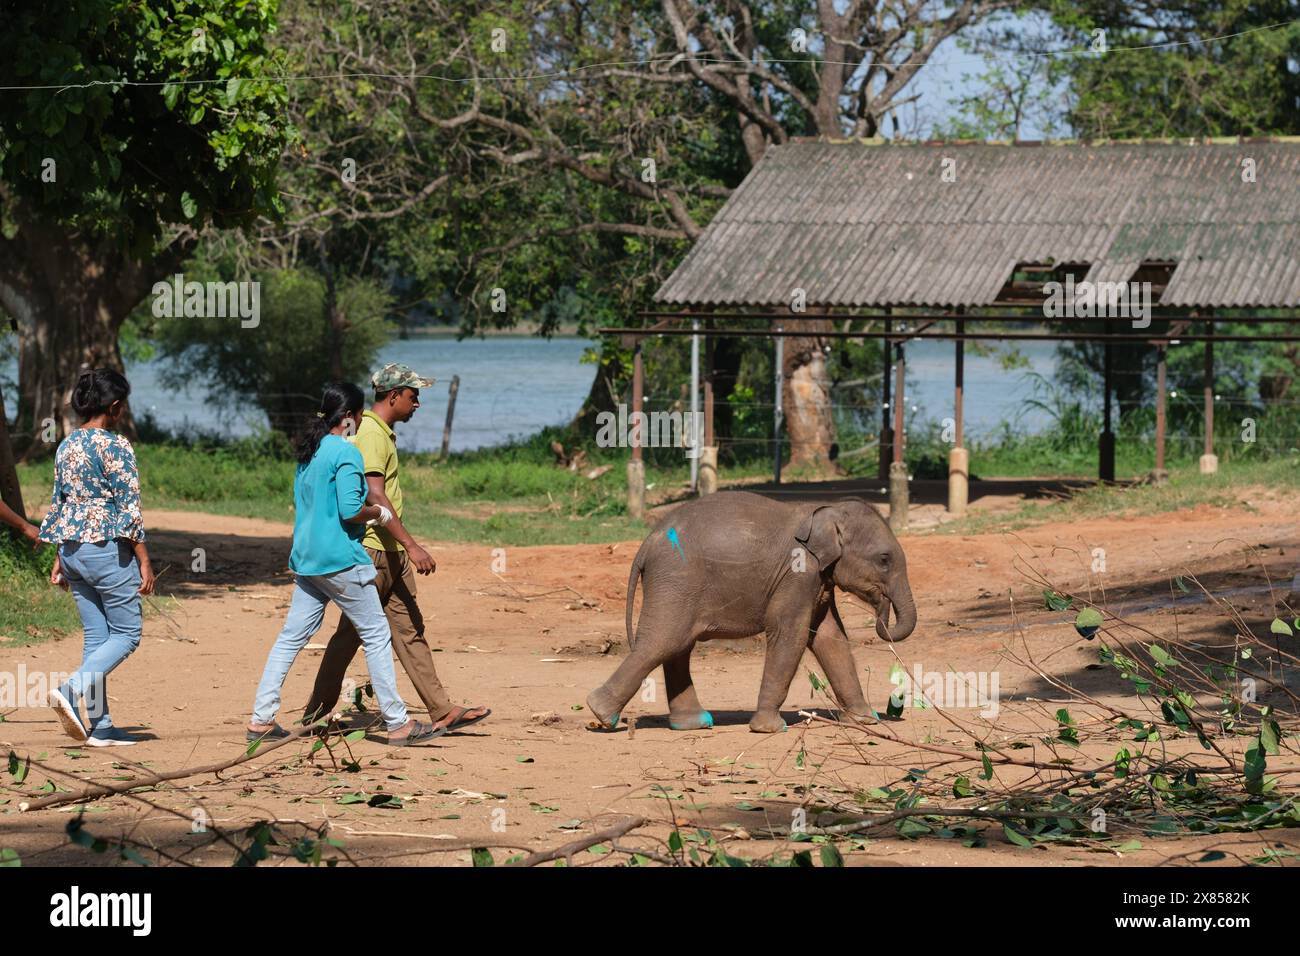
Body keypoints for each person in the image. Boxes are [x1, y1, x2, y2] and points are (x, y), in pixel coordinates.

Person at [303, 364, 490, 736]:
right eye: (413, 395)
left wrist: (403, 549)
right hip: (375, 551)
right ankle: (316, 717)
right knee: (349, 637)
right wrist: (411, 544)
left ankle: (442, 709)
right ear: (394, 396)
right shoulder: (371, 433)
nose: (417, 403)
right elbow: (374, 493)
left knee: (409, 630)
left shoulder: (380, 432)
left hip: (391, 553)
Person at [247, 382, 435, 747]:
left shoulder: (310, 451)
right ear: (350, 417)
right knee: (378, 636)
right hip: (339, 562)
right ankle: (398, 722)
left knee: (290, 639)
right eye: (360, 415)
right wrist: (378, 512)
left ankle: (261, 719)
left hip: (306, 561)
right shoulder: (347, 455)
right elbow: (351, 510)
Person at [38, 368, 154, 747]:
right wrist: (144, 560)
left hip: (72, 550)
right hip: (105, 550)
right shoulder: (116, 446)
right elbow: (129, 509)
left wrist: (59, 555)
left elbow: (60, 503)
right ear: (115, 406)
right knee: (128, 635)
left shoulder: (66, 445)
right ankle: (69, 691)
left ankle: (101, 726)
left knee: (97, 638)